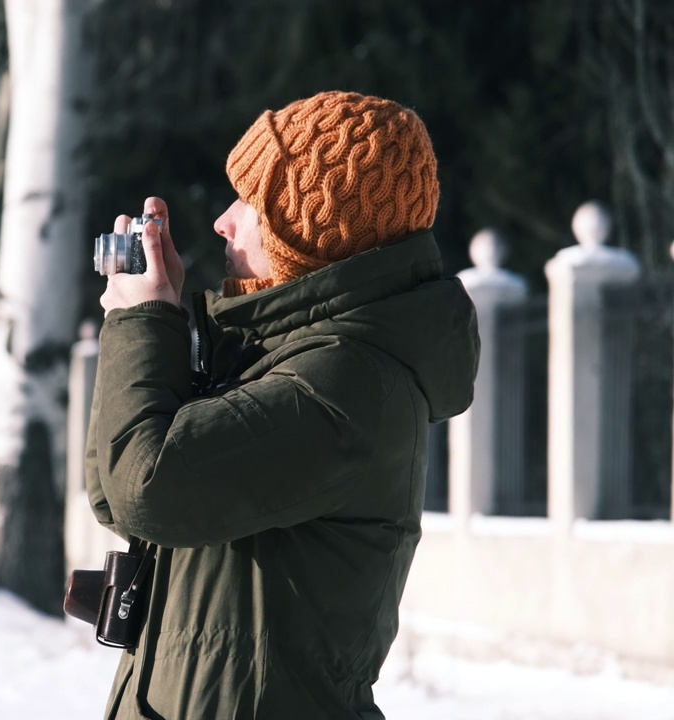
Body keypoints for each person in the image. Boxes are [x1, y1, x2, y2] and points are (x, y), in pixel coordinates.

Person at [84, 90, 479, 718]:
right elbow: (115, 495)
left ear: (314, 229)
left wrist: (146, 322)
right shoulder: (275, 361)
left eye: (250, 202)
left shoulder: (347, 384)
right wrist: (149, 326)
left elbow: (147, 490)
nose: (223, 221)